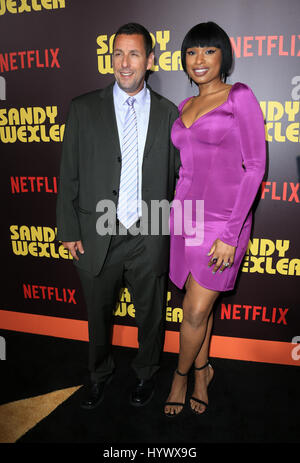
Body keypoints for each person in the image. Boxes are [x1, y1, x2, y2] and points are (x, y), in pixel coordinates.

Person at [56, 23, 180, 409]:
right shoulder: (83, 107)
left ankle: (145, 374)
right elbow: (68, 172)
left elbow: (178, 178)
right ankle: (98, 374)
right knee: (98, 315)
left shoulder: (169, 113)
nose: (125, 64)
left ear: (150, 61)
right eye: (118, 54)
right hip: (96, 232)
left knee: (151, 316)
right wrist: (68, 229)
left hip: (149, 233)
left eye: (134, 54)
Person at [164, 22, 266, 417]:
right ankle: (203, 370)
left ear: (224, 56)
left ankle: (180, 376)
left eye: (209, 51)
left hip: (223, 222)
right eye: (191, 52)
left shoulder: (238, 96)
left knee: (193, 311)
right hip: (183, 218)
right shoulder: (183, 107)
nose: (199, 60)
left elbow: (254, 167)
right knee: (197, 308)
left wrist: (231, 232)